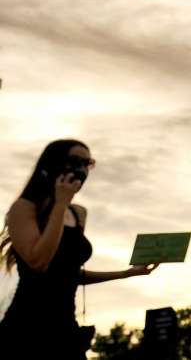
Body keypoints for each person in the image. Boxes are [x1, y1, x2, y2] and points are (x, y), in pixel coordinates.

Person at [0, 139, 158, 359]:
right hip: (26, 329)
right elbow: (39, 261)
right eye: (75, 161)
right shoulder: (23, 209)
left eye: (88, 163)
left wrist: (126, 273)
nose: (82, 169)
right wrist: (60, 204)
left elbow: (69, 275)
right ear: (52, 164)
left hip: (66, 329)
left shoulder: (78, 214)